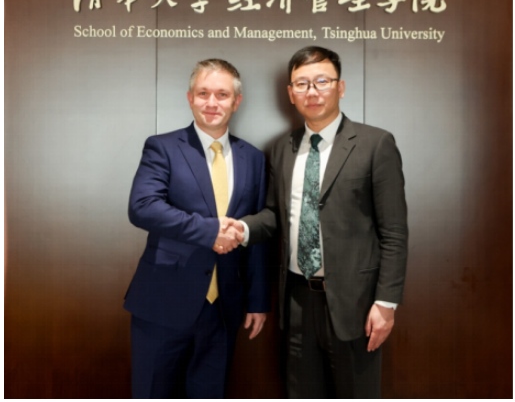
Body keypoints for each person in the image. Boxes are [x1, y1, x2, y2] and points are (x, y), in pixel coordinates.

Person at [225, 46, 408, 398]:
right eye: (302, 83)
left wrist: (386, 304)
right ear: (290, 93)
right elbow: (274, 215)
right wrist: (243, 229)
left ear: (341, 87)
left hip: (356, 304)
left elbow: (394, 232)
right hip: (296, 300)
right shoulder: (282, 147)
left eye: (322, 81)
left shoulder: (375, 144)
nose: (312, 91)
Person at [124, 58, 269, 399]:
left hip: (223, 310)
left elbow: (257, 232)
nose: (211, 102)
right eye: (203, 93)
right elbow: (142, 207)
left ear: (237, 101)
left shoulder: (254, 158)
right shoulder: (163, 147)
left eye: (222, 94)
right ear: (190, 98)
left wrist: (258, 300)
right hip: (162, 303)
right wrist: (209, 231)